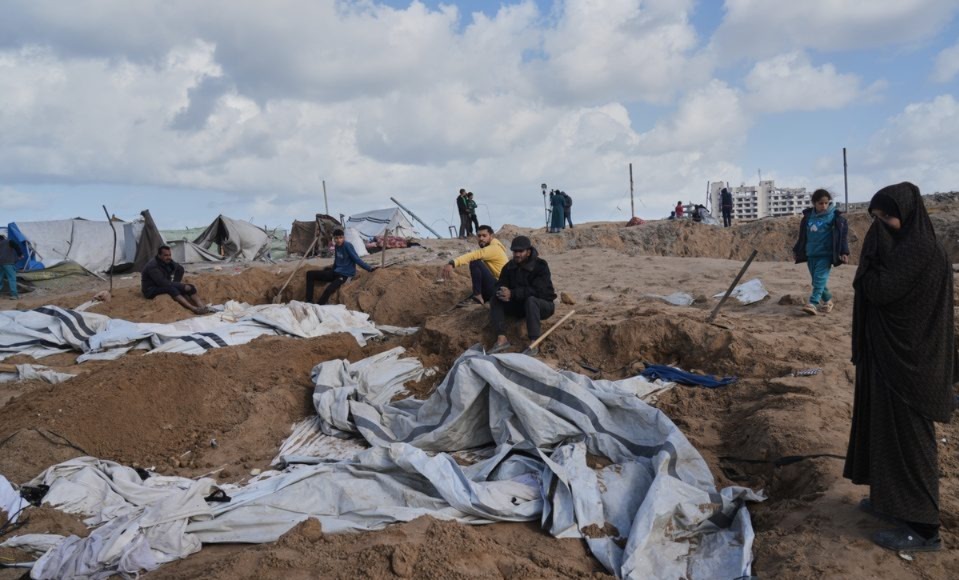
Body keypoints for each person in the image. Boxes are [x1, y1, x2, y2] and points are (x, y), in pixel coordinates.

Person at [844, 182, 955, 553]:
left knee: (909, 441)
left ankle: (924, 529)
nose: (882, 224)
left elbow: (879, 289)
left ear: (907, 214)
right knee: (884, 431)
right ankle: (892, 504)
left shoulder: (920, 250)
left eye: (887, 216)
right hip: (889, 357)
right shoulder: (901, 245)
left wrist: (869, 265)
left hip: (912, 365)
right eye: (875, 217)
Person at [487, 236, 556, 356]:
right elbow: (499, 284)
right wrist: (502, 291)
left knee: (531, 300)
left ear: (528, 252)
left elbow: (540, 291)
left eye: (520, 251)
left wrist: (513, 293)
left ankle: (534, 342)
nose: (517, 254)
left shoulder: (541, 266)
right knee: (495, 298)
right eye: (515, 251)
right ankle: (502, 339)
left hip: (543, 305)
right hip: (521, 306)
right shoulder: (509, 267)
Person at [792, 189, 849, 315]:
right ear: (814, 203)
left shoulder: (835, 218)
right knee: (816, 281)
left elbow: (842, 237)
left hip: (826, 254)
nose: (824, 206)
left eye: (826, 203)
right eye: (820, 203)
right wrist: (797, 250)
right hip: (811, 253)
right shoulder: (807, 218)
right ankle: (828, 301)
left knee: (819, 279)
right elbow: (802, 236)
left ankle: (813, 303)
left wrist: (844, 252)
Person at [305, 228, 377, 305]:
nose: (338, 240)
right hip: (336, 271)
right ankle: (309, 301)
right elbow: (337, 260)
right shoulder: (337, 246)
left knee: (328, 290)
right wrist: (332, 270)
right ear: (334, 239)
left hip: (345, 275)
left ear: (344, 238)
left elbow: (357, 259)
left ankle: (318, 306)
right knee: (310, 274)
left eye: (340, 238)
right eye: (336, 238)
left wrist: (369, 268)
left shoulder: (347, 246)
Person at [441, 225, 508, 305]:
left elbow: (473, 255)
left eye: (484, 236)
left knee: (475, 262)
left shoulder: (494, 248)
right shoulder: (491, 247)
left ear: (491, 236)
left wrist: (452, 263)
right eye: (479, 236)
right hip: (497, 286)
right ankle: (477, 296)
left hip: (500, 289)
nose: (481, 238)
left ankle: (478, 296)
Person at [141, 245, 212, 314]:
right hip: (151, 290)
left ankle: (202, 306)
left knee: (190, 287)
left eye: (169, 255)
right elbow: (162, 282)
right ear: (159, 255)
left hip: (162, 285)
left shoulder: (168, 261)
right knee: (172, 289)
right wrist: (179, 286)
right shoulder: (153, 266)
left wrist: (176, 282)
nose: (168, 257)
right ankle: (193, 308)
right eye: (166, 255)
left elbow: (180, 269)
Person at [0, 235, 24, 300]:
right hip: (8, 263)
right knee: (12, 278)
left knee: (0, 278)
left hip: (0, 264)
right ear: (4, 238)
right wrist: (20, 255)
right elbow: (16, 246)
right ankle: (14, 295)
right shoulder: (9, 241)